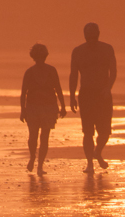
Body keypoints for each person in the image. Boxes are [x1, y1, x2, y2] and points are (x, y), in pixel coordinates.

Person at [69, 23, 117, 173]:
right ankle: (90, 163)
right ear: (84, 34)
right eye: (87, 33)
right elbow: (73, 75)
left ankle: (98, 152)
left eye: (92, 32)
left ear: (98, 33)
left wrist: (108, 88)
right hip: (86, 94)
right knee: (88, 132)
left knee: (105, 131)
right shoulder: (78, 51)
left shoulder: (107, 49)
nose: (90, 35)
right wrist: (71, 97)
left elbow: (113, 71)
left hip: (103, 94)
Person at [20, 43, 66, 175]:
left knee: (38, 136)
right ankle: (35, 161)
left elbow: (58, 89)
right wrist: (23, 110)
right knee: (38, 136)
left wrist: (63, 106)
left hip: (45, 108)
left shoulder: (46, 71)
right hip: (38, 108)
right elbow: (24, 93)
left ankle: (38, 164)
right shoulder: (35, 72)